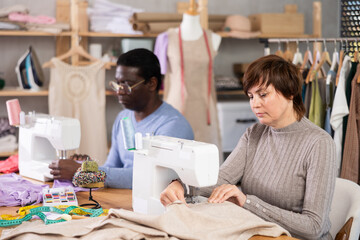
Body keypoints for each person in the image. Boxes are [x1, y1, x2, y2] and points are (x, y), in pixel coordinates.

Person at [160, 55, 336, 240]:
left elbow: (314, 227)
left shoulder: (319, 144)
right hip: (261, 234)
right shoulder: (255, 133)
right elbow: (222, 178)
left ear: (290, 92)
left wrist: (247, 202)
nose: (255, 104)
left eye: (263, 94)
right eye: (251, 96)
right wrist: (182, 185)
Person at [49, 48, 194, 189]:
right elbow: (112, 167)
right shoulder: (123, 118)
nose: (119, 91)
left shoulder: (172, 126)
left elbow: (150, 177)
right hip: (127, 198)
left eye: (128, 85)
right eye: (118, 83)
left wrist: (85, 172)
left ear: (152, 83)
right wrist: (88, 166)